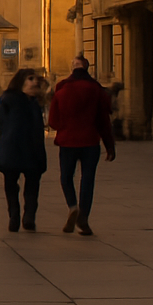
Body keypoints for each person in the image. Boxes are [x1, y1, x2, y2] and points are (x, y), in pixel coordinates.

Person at [48, 55, 115, 236]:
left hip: (68, 141)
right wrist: (110, 146)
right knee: (88, 179)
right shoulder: (96, 90)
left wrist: (65, 127)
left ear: (73, 68)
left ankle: (72, 205)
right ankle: (83, 217)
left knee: (66, 177)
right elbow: (104, 121)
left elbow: (53, 121)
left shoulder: (61, 90)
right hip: (90, 141)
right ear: (87, 68)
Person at [0, 68, 47, 232]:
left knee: (32, 184)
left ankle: (29, 216)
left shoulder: (35, 103)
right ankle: (14, 216)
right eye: (30, 78)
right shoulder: (9, 99)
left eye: (36, 79)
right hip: (12, 148)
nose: (34, 82)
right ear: (21, 82)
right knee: (11, 184)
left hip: (32, 149)